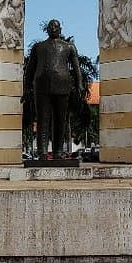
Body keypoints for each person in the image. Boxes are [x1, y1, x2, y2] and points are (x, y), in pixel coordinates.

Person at [25, 20, 83, 159]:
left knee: (60, 121)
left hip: (62, 86)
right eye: (50, 26)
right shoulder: (38, 47)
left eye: (56, 26)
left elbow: (76, 68)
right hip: (42, 86)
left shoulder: (69, 47)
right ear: (47, 29)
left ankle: (57, 152)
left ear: (60, 29)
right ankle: (42, 152)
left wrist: (80, 84)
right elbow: (30, 70)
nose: (53, 28)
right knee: (42, 120)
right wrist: (27, 87)